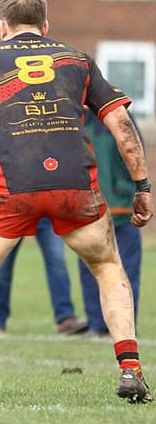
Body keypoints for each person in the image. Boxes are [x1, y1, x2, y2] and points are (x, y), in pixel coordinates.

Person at [0, 0, 153, 404]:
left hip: (9, 189)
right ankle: (130, 370)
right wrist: (142, 185)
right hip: (75, 187)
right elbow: (121, 122)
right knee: (109, 268)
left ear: (3, 27)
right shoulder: (78, 60)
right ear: (46, 26)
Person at [78, 109, 144, 338]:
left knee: (106, 267)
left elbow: (135, 152)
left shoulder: (75, 115)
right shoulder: (115, 114)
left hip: (106, 205)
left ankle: (105, 325)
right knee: (113, 269)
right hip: (102, 205)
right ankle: (108, 326)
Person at [0, 217, 88, 335]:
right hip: (13, 214)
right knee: (1, 269)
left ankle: (65, 318)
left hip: (46, 216)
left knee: (58, 263)